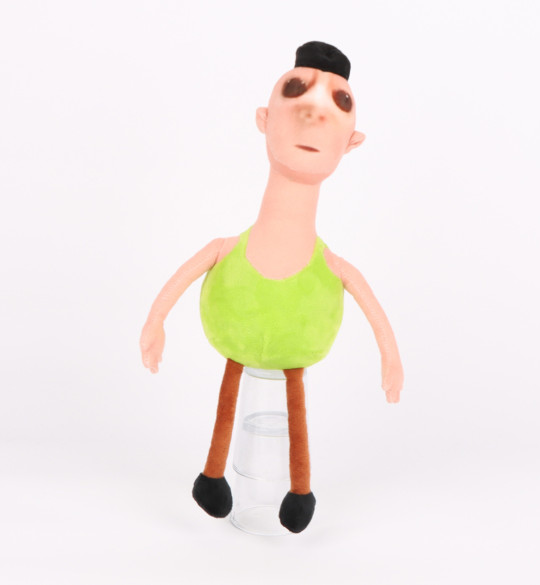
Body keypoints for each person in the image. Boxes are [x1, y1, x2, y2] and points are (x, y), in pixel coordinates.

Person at [140, 41, 404, 533]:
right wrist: (155, 322)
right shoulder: (225, 249)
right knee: (241, 385)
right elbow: (184, 275)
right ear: (264, 120)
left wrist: (390, 356)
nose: (314, 114)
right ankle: (214, 475)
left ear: (350, 143)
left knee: (292, 392)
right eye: (296, 92)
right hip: (239, 338)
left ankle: (298, 488)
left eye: (338, 103)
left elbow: (365, 295)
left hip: (294, 347)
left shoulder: (330, 266)